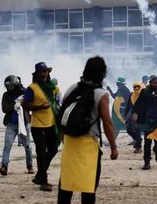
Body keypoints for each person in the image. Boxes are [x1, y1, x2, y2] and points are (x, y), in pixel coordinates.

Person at [58, 56, 119, 204]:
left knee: (66, 185)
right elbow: (108, 123)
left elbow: (62, 114)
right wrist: (113, 147)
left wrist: (62, 137)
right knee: (88, 187)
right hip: (89, 145)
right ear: (103, 73)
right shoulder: (101, 94)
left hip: (70, 142)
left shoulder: (72, 88)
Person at [23, 62, 60, 191]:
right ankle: (43, 181)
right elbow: (25, 106)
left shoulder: (53, 88)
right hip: (38, 125)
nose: (44, 74)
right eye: (41, 72)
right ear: (37, 74)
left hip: (52, 124)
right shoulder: (31, 88)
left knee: (53, 150)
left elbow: (57, 104)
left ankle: (39, 175)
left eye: (45, 72)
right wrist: (39, 107)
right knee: (41, 153)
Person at [0, 75, 34, 176]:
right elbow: (4, 109)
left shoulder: (24, 92)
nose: (9, 88)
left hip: (24, 123)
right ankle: (4, 166)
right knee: (7, 146)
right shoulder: (6, 95)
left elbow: (30, 104)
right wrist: (15, 104)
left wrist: (21, 99)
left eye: (11, 86)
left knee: (27, 146)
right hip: (11, 125)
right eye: (8, 86)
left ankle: (30, 166)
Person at [123, 82, 143, 153]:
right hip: (130, 115)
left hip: (140, 115)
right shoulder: (131, 94)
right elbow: (128, 105)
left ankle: (138, 147)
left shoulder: (142, 95)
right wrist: (125, 114)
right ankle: (139, 140)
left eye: (138, 87)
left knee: (137, 130)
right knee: (129, 130)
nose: (136, 88)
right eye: (135, 87)